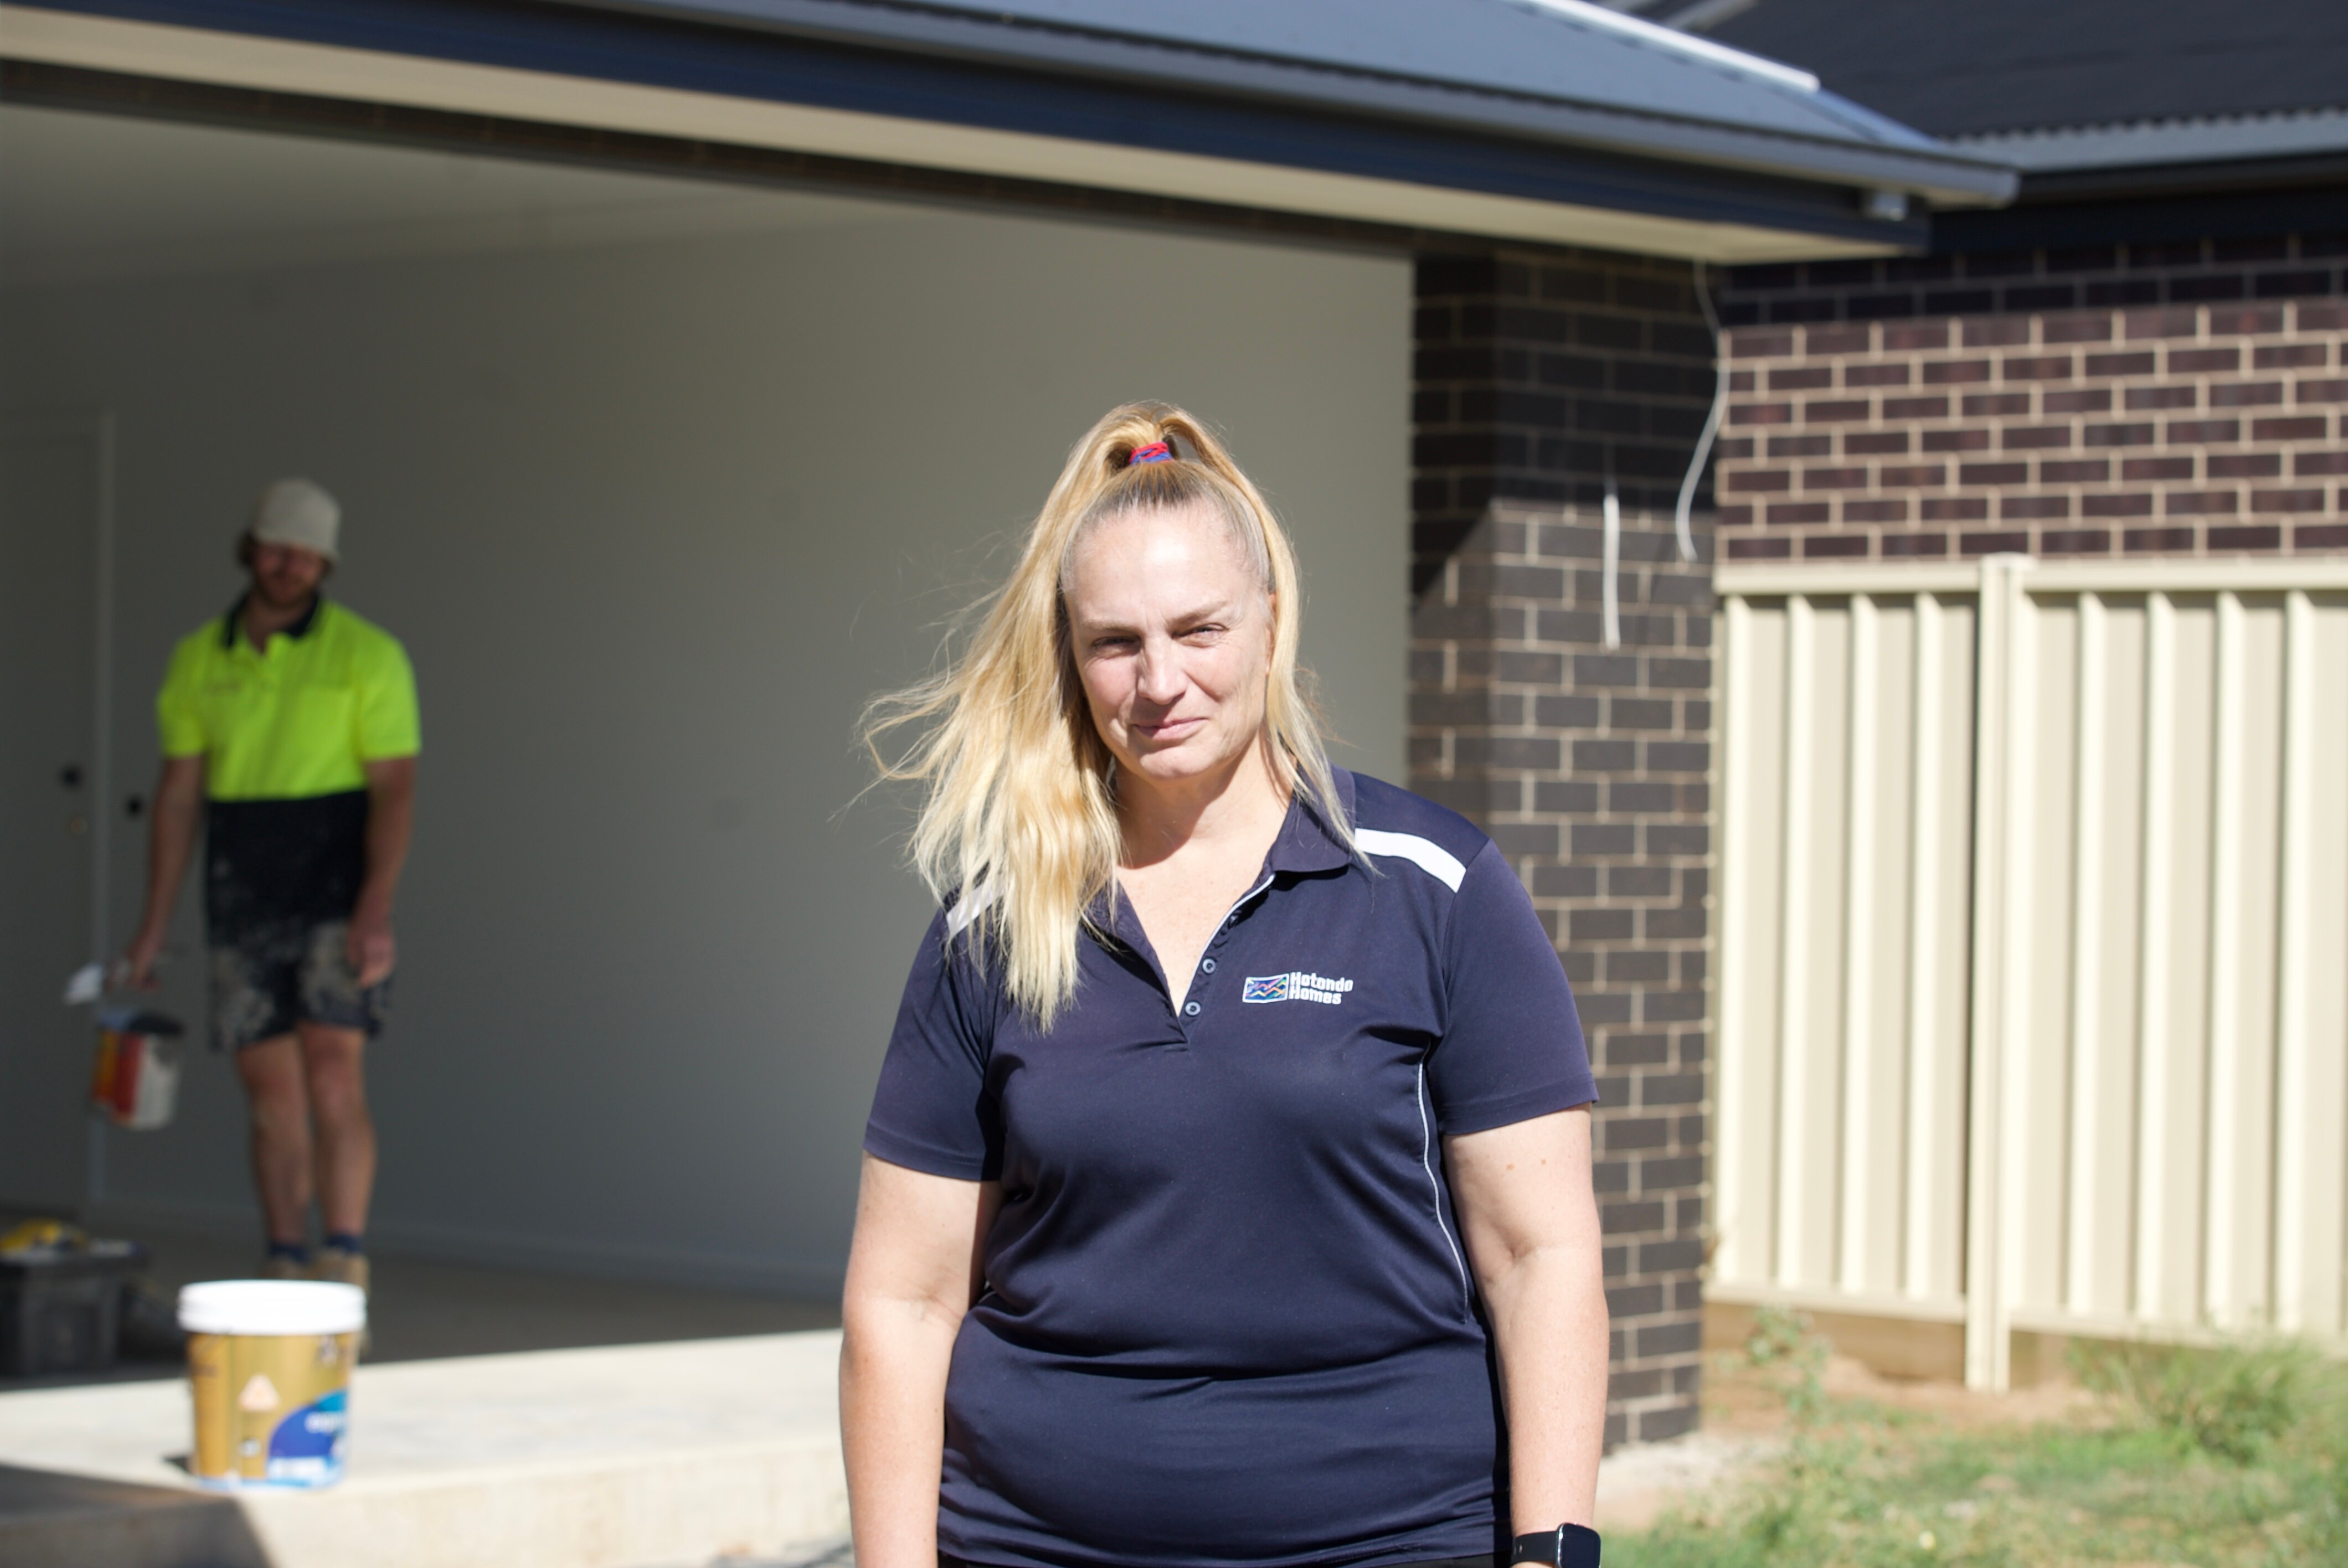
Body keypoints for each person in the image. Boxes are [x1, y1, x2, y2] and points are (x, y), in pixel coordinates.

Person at [845, 405, 1607, 1568]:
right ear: (1071, 654)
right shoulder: (995, 924)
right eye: (1114, 642)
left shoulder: (1430, 887)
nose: (1159, 681)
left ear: (1267, 620)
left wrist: (1552, 1552)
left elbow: (1537, 1257)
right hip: (1035, 1541)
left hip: (1382, 1537)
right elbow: (902, 1305)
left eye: (1197, 630)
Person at [123, 478, 419, 1294]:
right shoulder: (198, 657)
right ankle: (285, 1254)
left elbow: (395, 788)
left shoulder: (369, 654)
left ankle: (344, 1252)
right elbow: (180, 795)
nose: (289, 565)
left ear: (326, 565)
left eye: (307, 554)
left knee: (332, 1069)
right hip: (243, 878)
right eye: (277, 546)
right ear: (250, 546)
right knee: (269, 1087)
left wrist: (374, 906)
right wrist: (152, 926)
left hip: (334, 876)